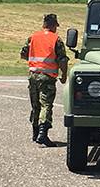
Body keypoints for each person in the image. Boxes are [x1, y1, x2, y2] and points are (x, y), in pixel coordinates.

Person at [21, 14, 68, 147]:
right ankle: (43, 134)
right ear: (53, 25)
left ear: (44, 25)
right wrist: (64, 74)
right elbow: (62, 59)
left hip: (33, 75)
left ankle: (35, 133)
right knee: (46, 104)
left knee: (35, 105)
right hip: (47, 78)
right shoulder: (56, 39)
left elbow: (23, 53)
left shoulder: (33, 37)